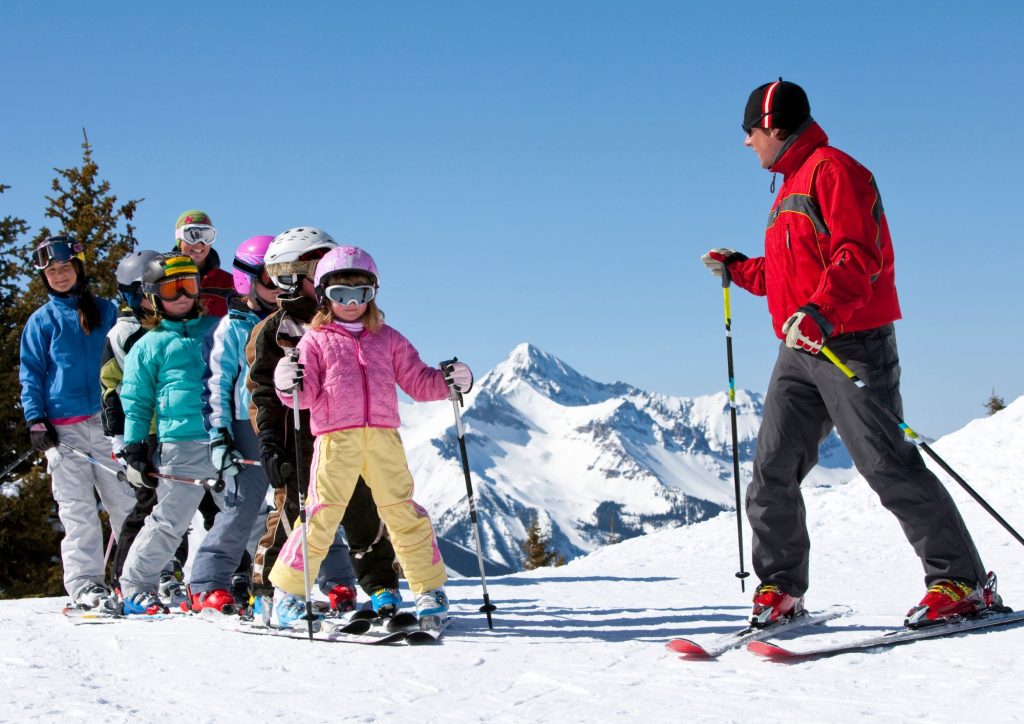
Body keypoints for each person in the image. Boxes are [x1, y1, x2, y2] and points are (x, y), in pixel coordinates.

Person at [701, 79, 999, 627]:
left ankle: (961, 582)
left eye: (749, 132)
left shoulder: (833, 171)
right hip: (800, 350)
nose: (746, 144)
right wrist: (739, 267)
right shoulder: (789, 183)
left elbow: (856, 255)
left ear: (771, 126)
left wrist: (820, 314)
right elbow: (790, 277)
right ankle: (781, 588)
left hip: (851, 342)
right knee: (772, 468)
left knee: (886, 462)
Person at [267, 244, 472, 629]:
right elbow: (304, 395)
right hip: (335, 439)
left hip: (382, 438)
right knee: (321, 514)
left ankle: (429, 589)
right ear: (324, 295)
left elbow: (417, 380)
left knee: (401, 510)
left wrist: (449, 382)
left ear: (372, 295)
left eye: (360, 294)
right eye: (340, 294)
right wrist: (286, 383)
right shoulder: (315, 341)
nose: (350, 303)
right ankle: (288, 595)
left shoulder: (388, 338)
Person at [246, 227, 392, 623]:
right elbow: (261, 392)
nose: (286, 287)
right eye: (318, 267)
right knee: (296, 513)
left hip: (349, 434)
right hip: (299, 438)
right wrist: (271, 443)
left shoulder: (353, 321)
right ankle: (268, 592)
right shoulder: (273, 330)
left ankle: (382, 586)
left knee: (365, 506)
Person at [188, 235, 305, 614]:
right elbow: (216, 386)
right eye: (271, 281)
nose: (279, 290)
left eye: (286, 281)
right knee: (241, 508)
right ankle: (208, 582)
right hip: (245, 424)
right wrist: (220, 436)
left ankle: (317, 580)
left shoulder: (295, 323)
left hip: (290, 421)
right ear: (247, 281)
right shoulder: (231, 328)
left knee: (305, 503)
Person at [19, 235, 136, 611]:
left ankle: (140, 576)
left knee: (125, 502)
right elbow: (32, 374)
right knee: (77, 510)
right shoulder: (41, 321)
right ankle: (86, 583)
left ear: (78, 268)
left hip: (108, 423)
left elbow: (127, 359)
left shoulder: (106, 311)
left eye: (65, 267)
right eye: (51, 271)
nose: (59, 275)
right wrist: (36, 419)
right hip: (63, 431)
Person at [118, 252, 222, 614]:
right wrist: (134, 447)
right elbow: (136, 401)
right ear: (152, 296)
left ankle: (228, 582)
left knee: (243, 515)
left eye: (188, 286)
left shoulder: (215, 331)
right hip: (180, 443)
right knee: (171, 520)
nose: (181, 296)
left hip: (224, 439)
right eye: (171, 288)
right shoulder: (148, 344)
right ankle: (135, 585)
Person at [100, 249, 190, 594]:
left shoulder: (173, 328)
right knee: (148, 503)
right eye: (143, 292)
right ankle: (125, 577)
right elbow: (110, 388)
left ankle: (167, 569)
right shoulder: (123, 334)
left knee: (176, 503)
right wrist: (120, 439)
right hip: (142, 432)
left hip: (173, 429)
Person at [173, 209, 235, 318]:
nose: (199, 243)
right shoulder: (164, 279)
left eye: (207, 236)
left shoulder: (229, 283)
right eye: (191, 235)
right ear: (179, 240)